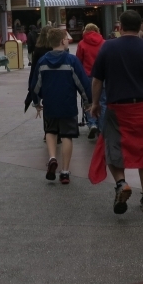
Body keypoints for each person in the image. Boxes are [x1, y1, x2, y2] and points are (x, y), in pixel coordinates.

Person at [88, 10, 143, 215]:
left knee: (112, 149)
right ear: (141, 28)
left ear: (119, 26)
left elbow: (97, 80)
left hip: (118, 109)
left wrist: (94, 103)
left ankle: (121, 184)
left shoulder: (108, 47)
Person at [32, 28, 91, 185]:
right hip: (68, 104)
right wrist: (88, 101)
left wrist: (37, 102)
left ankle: (52, 158)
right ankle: (65, 172)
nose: (68, 41)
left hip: (50, 104)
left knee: (50, 131)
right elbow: (82, 83)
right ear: (61, 41)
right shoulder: (71, 61)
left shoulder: (43, 61)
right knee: (66, 136)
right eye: (66, 39)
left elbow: (36, 84)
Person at [75, 23, 105, 140]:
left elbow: (78, 61)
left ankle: (92, 123)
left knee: (88, 101)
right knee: (102, 101)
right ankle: (102, 127)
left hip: (87, 76)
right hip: (102, 76)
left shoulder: (82, 44)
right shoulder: (104, 43)